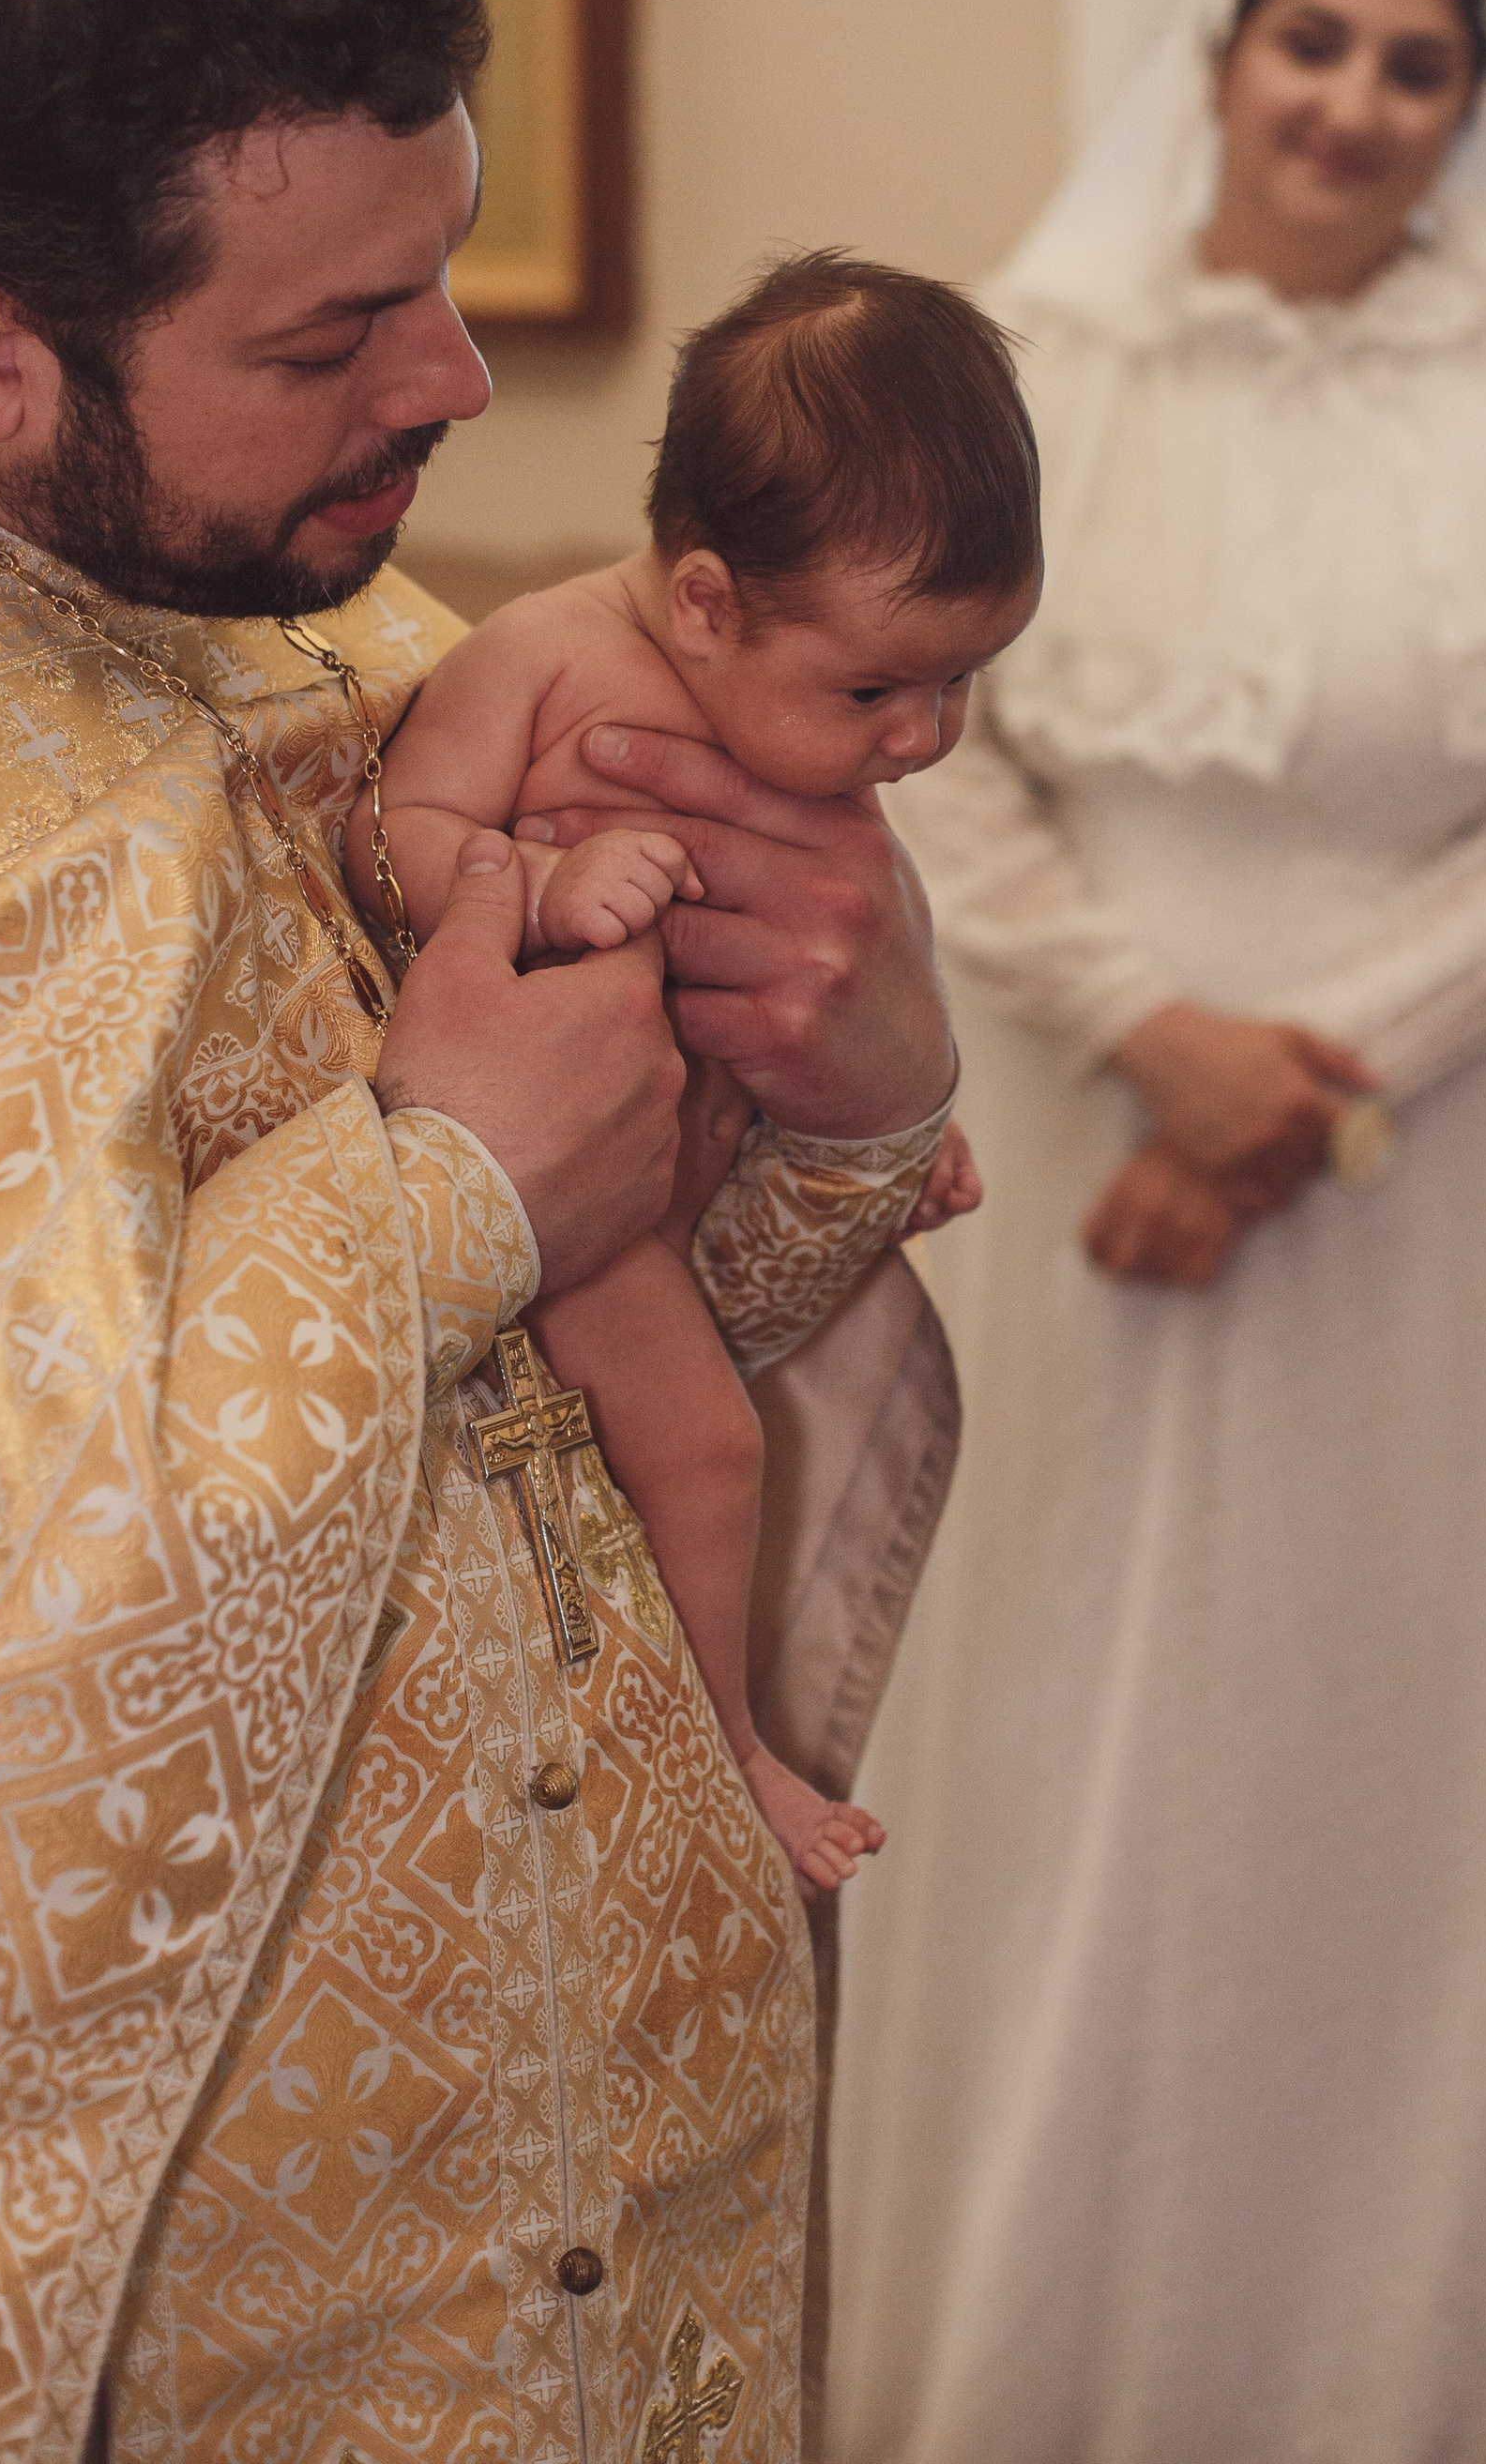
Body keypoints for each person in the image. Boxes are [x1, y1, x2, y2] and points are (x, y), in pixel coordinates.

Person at [0, 0, 961, 2464]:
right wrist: (432, 1202)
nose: (452, 379)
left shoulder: (294, 601)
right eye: (333, 335)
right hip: (225, 2324)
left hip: (631, 2201)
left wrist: (851, 1100)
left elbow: (630, 1356)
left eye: (441, 264)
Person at [828, 0, 1486, 2464]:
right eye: (1311, 43)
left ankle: (1397, 2370)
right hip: (1060, 1103)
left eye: (1413, 67)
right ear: (1217, 59)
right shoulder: (1030, 358)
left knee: (1380, 1744)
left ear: (1468, 116)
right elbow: (921, 731)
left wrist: (1296, 1086)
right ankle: (1021, 2348)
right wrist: (1145, 1033)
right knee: (1052, 1699)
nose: (1350, 103)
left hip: (1425, 1159)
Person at [356, 254, 1039, 1892]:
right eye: (880, 688)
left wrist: (888, 1129)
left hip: (716, 1147)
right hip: (577, 1203)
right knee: (714, 1448)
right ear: (708, 603)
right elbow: (393, 835)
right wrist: (536, 886)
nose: (922, 735)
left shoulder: (795, 700)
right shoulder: (538, 657)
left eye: (961, 681)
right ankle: (728, 1739)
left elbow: (863, 914)